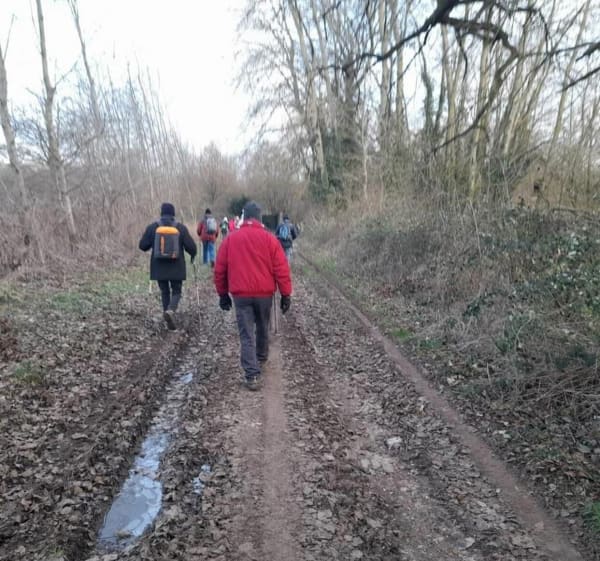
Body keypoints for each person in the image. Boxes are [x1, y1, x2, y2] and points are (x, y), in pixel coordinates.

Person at [214, 201, 292, 391]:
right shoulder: (270, 239)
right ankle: (261, 357)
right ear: (259, 218)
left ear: (243, 217)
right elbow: (281, 269)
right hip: (264, 294)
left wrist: (223, 294)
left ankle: (252, 375)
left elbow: (220, 270)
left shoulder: (231, 239)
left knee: (246, 334)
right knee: (263, 326)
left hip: (241, 296)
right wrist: (286, 294)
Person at [139, 202, 197, 330]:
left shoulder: (153, 227)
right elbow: (192, 247)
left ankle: (167, 314)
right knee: (177, 291)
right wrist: (193, 255)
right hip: (176, 267)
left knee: (164, 291)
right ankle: (171, 310)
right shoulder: (180, 228)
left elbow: (142, 246)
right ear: (173, 214)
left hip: (159, 267)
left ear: (161, 213)